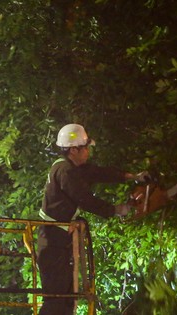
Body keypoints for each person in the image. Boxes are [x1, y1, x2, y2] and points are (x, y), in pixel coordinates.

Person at [37, 123, 149, 315]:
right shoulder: (66, 171)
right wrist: (115, 210)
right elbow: (85, 200)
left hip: (57, 238)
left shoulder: (72, 167)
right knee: (56, 298)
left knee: (65, 297)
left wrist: (132, 177)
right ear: (73, 149)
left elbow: (99, 173)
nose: (88, 151)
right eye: (85, 147)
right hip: (52, 240)